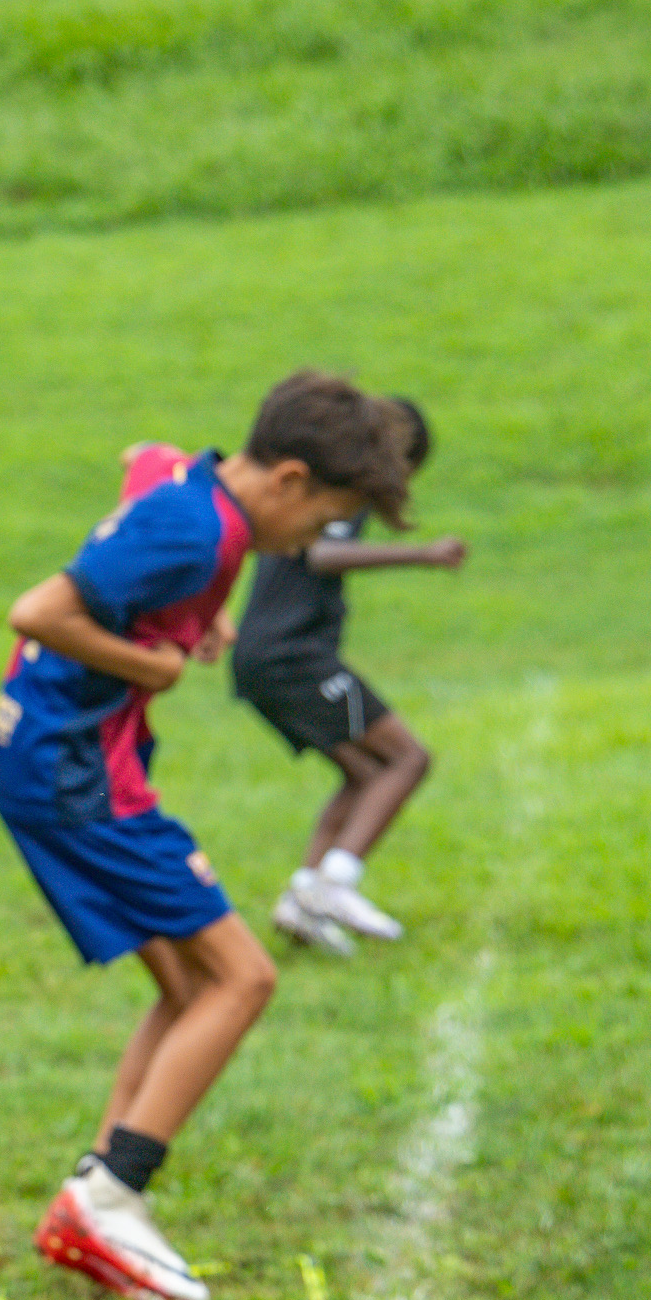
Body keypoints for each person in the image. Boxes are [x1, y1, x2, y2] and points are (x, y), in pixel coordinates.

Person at [0, 372, 411, 1300]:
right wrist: (158, 663)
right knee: (244, 978)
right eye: (326, 520)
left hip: (62, 765)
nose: (310, 546)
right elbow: (39, 611)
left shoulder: (196, 489)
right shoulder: (201, 529)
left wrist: (201, 613)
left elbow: (148, 460)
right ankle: (109, 1196)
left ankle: (97, 1206)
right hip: (78, 775)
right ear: (290, 479)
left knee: (188, 990)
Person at [230, 397, 465, 953]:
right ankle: (336, 883)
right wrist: (422, 555)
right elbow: (320, 556)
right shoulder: (341, 483)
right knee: (408, 758)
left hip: (270, 657)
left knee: (364, 772)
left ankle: (304, 897)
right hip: (294, 657)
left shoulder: (326, 477)